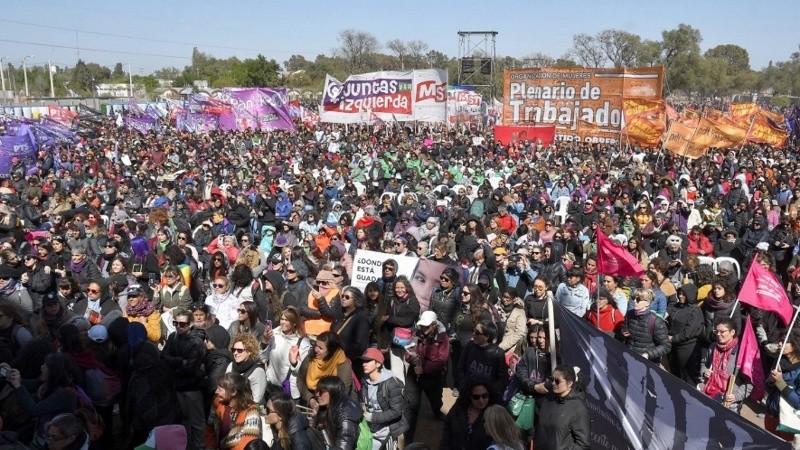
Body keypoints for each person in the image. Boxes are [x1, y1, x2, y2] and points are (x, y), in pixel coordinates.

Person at [3, 353, 79, 448]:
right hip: (41, 429)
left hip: (49, 440)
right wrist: (10, 374)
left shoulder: (65, 395)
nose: (42, 367)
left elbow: (34, 410)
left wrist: (18, 386)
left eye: (45, 366)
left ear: (53, 371)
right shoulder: (50, 382)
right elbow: (31, 385)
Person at [161, 308, 207, 450]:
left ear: (191, 324)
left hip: (192, 388)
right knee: (183, 422)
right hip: (178, 386)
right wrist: (180, 361)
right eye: (176, 323)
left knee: (197, 423)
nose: (178, 327)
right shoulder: (173, 336)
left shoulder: (196, 342)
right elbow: (163, 356)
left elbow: (191, 368)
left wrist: (174, 365)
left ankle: (199, 447)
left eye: (183, 324)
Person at [404, 310, 449, 442]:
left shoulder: (442, 339)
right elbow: (408, 351)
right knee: (411, 405)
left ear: (434, 325)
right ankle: (408, 437)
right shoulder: (417, 334)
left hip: (433, 376)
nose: (423, 328)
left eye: (426, 326)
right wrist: (412, 360)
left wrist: (423, 369)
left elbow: (441, 360)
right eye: (422, 325)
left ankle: (437, 412)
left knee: (435, 399)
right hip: (415, 374)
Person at [700, 317, 753, 413]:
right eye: (717, 331)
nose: (718, 334)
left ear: (732, 332)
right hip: (709, 392)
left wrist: (736, 396)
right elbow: (704, 364)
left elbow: (749, 383)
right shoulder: (713, 347)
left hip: (728, 402)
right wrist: (705, 371)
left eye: (722, 331)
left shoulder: (741, 354)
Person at [359, 348, 409, 450]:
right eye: (363, 361)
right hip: (370, 432)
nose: (364, 364)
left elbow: (397, 411)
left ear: (378, 364)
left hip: (390, 433)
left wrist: (372, 417)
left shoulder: (391, 383)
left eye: (368, 361)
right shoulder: (364, 381)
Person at [260, 307, 312, 402]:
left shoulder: (303, 343)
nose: (283, 322)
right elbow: (262, 359)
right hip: (272, 387)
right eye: (282, 319)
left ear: (294, 323)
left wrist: (294, 362)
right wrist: (264, 341)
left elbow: (301, 373)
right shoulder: (273, 335)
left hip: (290, 392)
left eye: (287, 320)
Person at [534, 365, 590, 450]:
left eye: (557, 381)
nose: (553, 383)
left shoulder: (578, 409)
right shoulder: (549, 398)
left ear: (570, 383)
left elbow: (583, 445)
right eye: (552, 379)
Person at [205, 372, 263, 450]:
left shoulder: (251, 410)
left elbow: (249, 440)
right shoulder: (218, 403)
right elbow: (210, 429)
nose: (216, 392)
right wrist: (210, 447)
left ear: (233, 392)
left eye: (220, 389)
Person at [382, 276, 420, 385]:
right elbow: (387, 324)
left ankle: (409, 392)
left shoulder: (412, 300)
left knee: (408, 368)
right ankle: (400, 391)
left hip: (409, 341)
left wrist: (390, 318)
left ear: (407, 287)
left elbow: (408, 321)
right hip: (395, 341)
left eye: (402, 287)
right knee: (396, 369)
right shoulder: (392, 301)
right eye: (397, 287)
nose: (399, 290)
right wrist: (385, 343)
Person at [456, 320, 508, 400]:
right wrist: (464, 385)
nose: (473, 334)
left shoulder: (498, 353)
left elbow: (502, 379)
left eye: (477, 333)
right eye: (474, 331)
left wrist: (489, 393)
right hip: (467, 393)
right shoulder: (470, 346)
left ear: (487, 337)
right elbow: (460, 367)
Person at [439, 378, 496, 450]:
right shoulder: (459, 407)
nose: (481, 400)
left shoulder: (495, 414)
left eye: (484, 396)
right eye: (476, 397)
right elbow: (448, 426)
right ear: (469, 396)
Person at [765, 327, 800, 442]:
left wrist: (781, 384)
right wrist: (770, 381)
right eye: (779, 340)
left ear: (795, 345)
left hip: (788, 423)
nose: (779, 344)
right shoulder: (779, 361)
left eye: (784, 341)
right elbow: (767, 388)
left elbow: (799, 402)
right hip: (771, 414)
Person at [297, 331, 353, 403]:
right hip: (311, 401)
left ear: (331, 351)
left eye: (320, 348)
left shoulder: (342, 364)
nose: (316, 349)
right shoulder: (311, 357)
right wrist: (310, 399)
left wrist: (326, 404)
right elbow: (300, 380)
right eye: (316, 345)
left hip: (332, 404)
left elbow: (343, 391)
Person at [309, 375, 362, 450]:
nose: (317, 395)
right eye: (317, 390)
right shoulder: (329, 407)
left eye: (321, 392)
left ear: (332, 392)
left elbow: (343, 448)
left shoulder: (345, 416)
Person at [619, 288, 672, 364]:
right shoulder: (630, 314)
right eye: (634, 298)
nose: (634, 301)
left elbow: (666, 346)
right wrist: (623, 333)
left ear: (647, 303)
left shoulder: (656, 321)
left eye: (638, 300)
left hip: (647, 364)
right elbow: (623, 332)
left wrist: (648, 354)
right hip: (629, 358)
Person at [667, 284, 703, 384]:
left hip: (687, 347)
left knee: (688, 376)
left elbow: (689, 331)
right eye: (680, 294)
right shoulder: (677, 306)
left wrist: (674, 338)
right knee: (674, 373)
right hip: (673, 346)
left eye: (684, 294)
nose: (680, 296)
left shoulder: (695, 310)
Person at [226, 333, 267, 403]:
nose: (235, 353)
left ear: (249, 352)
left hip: (250, 410)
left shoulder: (258, 371)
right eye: (233, 350)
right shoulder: (231, 365)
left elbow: (256, 400)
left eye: (239, 350)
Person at [495, 288, 527, 354]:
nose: (504, 299)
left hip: (509, 348)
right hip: (494, 342)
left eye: (507, 298)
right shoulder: (496, 307)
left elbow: (519, 333)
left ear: (514, 298)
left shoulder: (519, 311)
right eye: (503, 297)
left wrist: (502, 347)